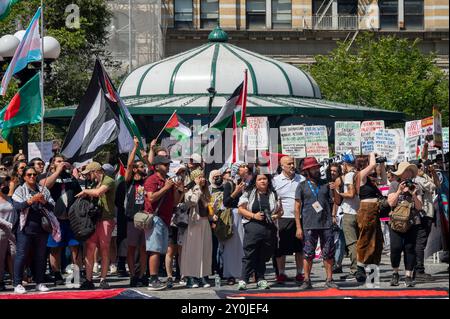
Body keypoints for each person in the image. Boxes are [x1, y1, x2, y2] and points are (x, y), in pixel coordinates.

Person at [295, 157, 340, 290]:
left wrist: (335, 189)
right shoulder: (302, 185)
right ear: (307, 170)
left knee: (328, 253)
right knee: (308, 253)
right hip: (309, 224)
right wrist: (298, 226)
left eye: (317, 167)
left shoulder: (326, 184)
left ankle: (329, 279)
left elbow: (337, 202)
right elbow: (297, 207)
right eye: (313, 168)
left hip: (326, 223)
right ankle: (307, 280)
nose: (316, 170)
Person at [37, 155, 82, 286]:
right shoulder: (45, 177)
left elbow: (79, 193)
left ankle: (77, 274)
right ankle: (57, 274)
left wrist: (73, 172)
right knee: (55, 249)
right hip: (55, 219)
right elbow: (44, 187)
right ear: (52, 164)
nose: (62, 163)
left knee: (75, 247)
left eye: (63, 161)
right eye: (59, 161)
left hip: (71, 219)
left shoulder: (70, 177)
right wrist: (57, 172)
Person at [12, 167, 58, 294]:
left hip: (42, 228)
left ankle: (40, 282)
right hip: (25, 229)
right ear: (24, 176)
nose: (32, 176)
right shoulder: (20, 190)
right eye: (29, 174)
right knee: (21, 255)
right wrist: (31, 200)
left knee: (41, 256)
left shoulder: (43, 189)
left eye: (34, 174)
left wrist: (43, 201)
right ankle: (17, 283)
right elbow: (17, 206)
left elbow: (52, 206)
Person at [237, 171, 283, 290]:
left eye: (265, 179)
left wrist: (275, 216)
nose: (262, 181)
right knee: (250, 253)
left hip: (269, 227)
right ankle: (243, 279)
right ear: (255, 182)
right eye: (259, 179)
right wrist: (254, 215)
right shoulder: (248, 193)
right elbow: (241, 209)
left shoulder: (274, 194)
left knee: (263, 254)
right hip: (253, 226)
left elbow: (280, 211)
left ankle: (261, 278)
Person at [145, 155, 184, 290]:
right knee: (154, 249)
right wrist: (166, 188)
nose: (167, 167)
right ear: (156, 166)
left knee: (160, 250)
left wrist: (179, 190)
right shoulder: (152, 179)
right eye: (165, 164)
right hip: (155, 218)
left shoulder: (167, 180)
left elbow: (175, 202)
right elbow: (151, 198)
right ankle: (153, 279)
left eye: (168, 164)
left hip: (165, 219)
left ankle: (155, 278)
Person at [76, 162, 116, 290]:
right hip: (94, 220)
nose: (87, 176)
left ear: (95, 171)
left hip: (106, 219)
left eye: (89, 173)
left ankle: (103, 279)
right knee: (90, 249)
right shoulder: (93, 183)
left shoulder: (108, 180)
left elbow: (99, 192)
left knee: (104, 248)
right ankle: (88, 280)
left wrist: (85, 191)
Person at [388, 162, 423, 287]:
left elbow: (419, 207)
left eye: (409, 171)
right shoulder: (393, 184)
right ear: (401, 174)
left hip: (412, 221)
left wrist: (414, 194)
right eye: (405, 171)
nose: (408, 173)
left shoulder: (416, 185)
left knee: (410, 248)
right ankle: (395, 273)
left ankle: (408, 275)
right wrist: (399, 191)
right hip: (396, 222)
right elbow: (391, 203)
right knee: (396, 248)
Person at [273, 155, 305, 285]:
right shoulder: (275, 180)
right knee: (281, 248)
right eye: (289, 164)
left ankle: (299, 273)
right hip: (283, 217)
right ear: (282, 166)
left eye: (293, 163)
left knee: (299, 247)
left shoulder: (301, 179)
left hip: (300, 217)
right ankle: (281, 273)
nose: (292, 166)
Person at [354, 153, 385, 282]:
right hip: (366, 210)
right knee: (365, 239)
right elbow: (372, 165)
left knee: (377, 241)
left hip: (374, 209)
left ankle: (373, 271)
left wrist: (382, 164)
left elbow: (383, 180)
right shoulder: (360, 176)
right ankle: (360, 269)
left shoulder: (370, 179)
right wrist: (372, 154)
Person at [124, 137, 149, 287]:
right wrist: (135, 147)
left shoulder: (147, 180)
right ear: (134, 169)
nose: (142, 168)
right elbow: (129, 164)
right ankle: (133, 275)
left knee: (144, 249)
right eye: (139, 166)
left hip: (145, 219)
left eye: (142, 166)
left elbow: (151, 168)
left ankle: (142, 275)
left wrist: (146, 158)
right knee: (132, 248)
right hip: (132, 219)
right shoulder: (130, 181)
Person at [181, 169, 213, 288]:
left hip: (205, 223)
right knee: (192, 251)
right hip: (194, 223)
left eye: (203, 177)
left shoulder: (206, 192)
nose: (202, 179)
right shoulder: (189, 191)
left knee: (205, 251)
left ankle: (203, 276)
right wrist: (196, 187)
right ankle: (190, 277)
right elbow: (192, 201)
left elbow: (208, 207)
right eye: (199, 177)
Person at [221, 162, 249, 285]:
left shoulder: (248, 183)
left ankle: (244, 273)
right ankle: (230, 275)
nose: (246, 168)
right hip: (234, 215)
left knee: (244, 245)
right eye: (243, 167)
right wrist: (236, 191)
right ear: (237, 170)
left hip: (247, 215)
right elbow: (226, 202)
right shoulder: (229, 184)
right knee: (232, 246)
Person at [335, 154, 360, 279]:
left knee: (352, 243)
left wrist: (338, 192)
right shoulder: (358, 173)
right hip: (359, 212)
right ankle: (359, 268)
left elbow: (351, 194)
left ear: (345, 164)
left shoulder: (350, 175)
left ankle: (355, 270)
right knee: (358, 242)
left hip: (350, 213)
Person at [414, 162, 439, 281]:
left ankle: (415, 268)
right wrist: (425, 173)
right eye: (419, 166)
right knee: (420, 241)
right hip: (423, 213)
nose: (422, 168)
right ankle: (419, 270)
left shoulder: (424, 177)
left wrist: (433, 172)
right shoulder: (418, 179)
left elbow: (437, 184)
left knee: (420, 242)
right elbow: (432, 187)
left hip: (427, 213)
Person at [328, 163, 345, 275]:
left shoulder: (341, 182)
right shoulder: (326, 183)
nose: (332, 173)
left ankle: (337, 263)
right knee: (330, 240)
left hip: (339, 213)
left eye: (335, 171)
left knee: (339, 239)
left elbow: (337, 201)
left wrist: (334, 214)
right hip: (327, 214)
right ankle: (332, 261)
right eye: (331, 171)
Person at [0, 175, 16, 291]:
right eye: (3, 184)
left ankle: (16, 278)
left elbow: (14, 212)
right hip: (1, 231)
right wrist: (6, 223)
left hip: (11, 231)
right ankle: (0, 281)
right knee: (0, 257)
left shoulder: (9, 198)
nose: (5, 186)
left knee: (15, 253)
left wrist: (13, 224)